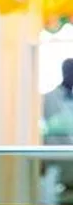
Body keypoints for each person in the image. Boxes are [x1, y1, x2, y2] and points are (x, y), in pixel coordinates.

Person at [42, 59, 73, 194]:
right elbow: (50, 130)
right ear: (64, 72)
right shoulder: (48, 98)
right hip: (58, 163)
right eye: (69, 70)